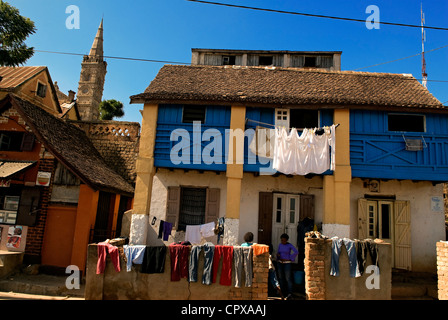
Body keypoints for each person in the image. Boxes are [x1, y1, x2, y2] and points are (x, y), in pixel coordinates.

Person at [276, 233, 298, 300]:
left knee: (288, 278)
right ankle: (281, 291)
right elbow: (278, 252)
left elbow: (296, 252)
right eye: (282, 240)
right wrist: (278, 256)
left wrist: (290, 258)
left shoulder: (289, 245)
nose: (283, 242)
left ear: (287, 240)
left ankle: (290, 293)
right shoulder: (280, 245)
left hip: (287, 263)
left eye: (284, 240)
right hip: (280, 262)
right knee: (280, 277)